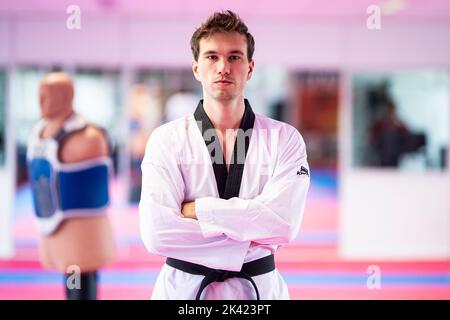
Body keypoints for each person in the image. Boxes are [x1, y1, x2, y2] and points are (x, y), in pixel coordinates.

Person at [139, 10, 310, 300]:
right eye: (211, 57)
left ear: (250, 67)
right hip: (184, 293)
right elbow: (158, 233)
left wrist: (198, 210)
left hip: (256, 292)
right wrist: (248, 234)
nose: (223, 67)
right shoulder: (167, 139)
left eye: (234, 57)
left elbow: (283, 225)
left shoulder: (285, 139)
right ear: (196, 68)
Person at [27, 72, 115, 300]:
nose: (41, 103)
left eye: (47, 96)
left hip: (81, 232)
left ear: (67, 97)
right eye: (40, 96)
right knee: (71, 279)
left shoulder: (89, 137)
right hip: (54, 224)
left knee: (78, 279)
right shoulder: (39, 132)